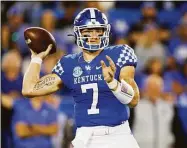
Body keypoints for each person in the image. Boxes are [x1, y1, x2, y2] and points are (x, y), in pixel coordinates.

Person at [22, 8, 140, 148]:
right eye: (88, 31)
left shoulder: (119, 53)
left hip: (118, 135)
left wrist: (113, 83)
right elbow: (29, 89)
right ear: (78, 33)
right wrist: (36, 59)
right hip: (85, 136)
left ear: (105, 32)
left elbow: (133, 100)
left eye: (98, 30)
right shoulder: (68, 63)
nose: (94, 35)